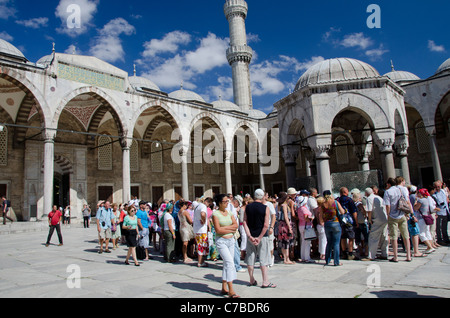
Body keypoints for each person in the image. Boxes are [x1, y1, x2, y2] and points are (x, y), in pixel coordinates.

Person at [244, 189, 275, 289]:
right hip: (262, 236)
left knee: (250, 258)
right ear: (262, 197)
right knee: (263, 259)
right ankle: (265, 281)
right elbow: (266, 224)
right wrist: (260, 237)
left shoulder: (247, 207)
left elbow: (244, 222)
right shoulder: (265, 208)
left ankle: (251, 279)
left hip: (251, 236)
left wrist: (249, 236)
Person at [212, 194, 240, 298]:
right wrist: (230, 228)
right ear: (219, 203)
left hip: (231, 241)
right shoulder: (215, 214)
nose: (227, 203)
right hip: (221, 241)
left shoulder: (229, 212)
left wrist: (227, 228)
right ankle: (231, 290)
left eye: (227, 201)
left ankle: (224, 287)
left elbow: (236, 225)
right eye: (225, 202)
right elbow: (218, 230)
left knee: (226, 263)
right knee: (229, 263)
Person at [384, 178, 411, 262]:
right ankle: (408, 255)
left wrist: (388, 215)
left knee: (393, 236)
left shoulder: (387, 192)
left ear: (388, 184)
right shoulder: (400, 190)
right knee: (405, 235)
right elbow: (406, 201)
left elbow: (387, 205)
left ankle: (395, 256)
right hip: (401, 214)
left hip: (393, 215)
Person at [318, 193, 345, 266]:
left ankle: (327, 259)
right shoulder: (335, 202)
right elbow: (342, 211)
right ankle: (336, 261)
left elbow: (320, 215)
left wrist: (322, 222)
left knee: (329, 242)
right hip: (335, 223)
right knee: (336, 243)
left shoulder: (323, 205)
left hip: (327, 224)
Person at [362, 188, 389, 261]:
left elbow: (369, 210)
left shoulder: (369, 198)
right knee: (384, 236)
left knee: (373, 237)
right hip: (384, 218)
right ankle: (384, 254)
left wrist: (369, 219)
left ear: (366, 193)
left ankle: (371, 256)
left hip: (377, 219)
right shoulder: (378, 197)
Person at [336, 187, 357, 260]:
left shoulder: (337, 200)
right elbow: (354, 211)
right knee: (351, 237)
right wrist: (356, 221)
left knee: (343, 237)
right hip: (349, 221)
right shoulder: (349, 200)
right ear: (345, 192)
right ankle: (350, 253)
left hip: (340, 221)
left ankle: (344, 252)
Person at [413, 189, 437, 254]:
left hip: (421, 218)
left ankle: (430, 246)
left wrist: (415, 202)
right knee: (427, 232)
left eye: (418, 193)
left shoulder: (420, 200)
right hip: (427, 217)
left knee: (421, 233)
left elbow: (415, 208)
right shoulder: (427, 200)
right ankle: (430, 246)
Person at [193, 197, 213, 267]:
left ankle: (201, 261)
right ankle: (200, 262)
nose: (208, 206)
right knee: (202, 245)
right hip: (201, 230)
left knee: (199, 245)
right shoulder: (203, 206)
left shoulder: (197, 206)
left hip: (196, 229)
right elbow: (203, 214)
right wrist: (204, 220)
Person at [276, 192, 294, 264]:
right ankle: (287, 258)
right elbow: (286, 217)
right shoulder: (285, 206)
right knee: (286, 241)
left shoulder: (279, 205)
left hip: (280, 224)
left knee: (282, 242)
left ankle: (285, 258)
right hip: (285, 224)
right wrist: (289, 227)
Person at [297, 195, 315, 263]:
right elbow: (306, 217)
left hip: (301, 225)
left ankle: (303, 256)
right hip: (306, 225)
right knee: (307, 242)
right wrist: (311, 218)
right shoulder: (304, 208)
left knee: (303, 242)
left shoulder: (299, 208)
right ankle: (307, 257)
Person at [432, 180, 450, 246]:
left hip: (445, 211)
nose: (438, 188)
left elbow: (446, 199)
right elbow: (438, 203)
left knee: (444, 226)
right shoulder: (434, 195)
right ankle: (439, 240)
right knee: (438, 227)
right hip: (439, 212)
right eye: (436, 186)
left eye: (439, 186)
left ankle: (446, 238)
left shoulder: (442, 191)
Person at [353, 192, 369, 259]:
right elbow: (363, 211)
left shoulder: (353, 204)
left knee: (358, 237)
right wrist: (366, 215)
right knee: (366, 237)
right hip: (362, 222)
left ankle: (360, 250)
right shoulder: (359, 204)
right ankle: (366, 251)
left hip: (356, 222)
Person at [262, 191, 277, 267]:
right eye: (266, 195)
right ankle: (265, 260)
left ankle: (271, 258)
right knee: (263, 245)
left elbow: (273, 216)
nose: (268, 197)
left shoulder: (269, 204)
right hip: (261, 228)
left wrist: (271, 227)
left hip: (268, 227)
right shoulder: (259, 204)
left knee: (270, 244)